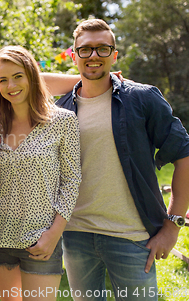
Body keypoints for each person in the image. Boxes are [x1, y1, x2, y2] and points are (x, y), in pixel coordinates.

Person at [57, 19, 189, 301]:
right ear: (74, 55)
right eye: (85, 50)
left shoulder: (141, 98)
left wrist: (172, 225)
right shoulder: (60, 108)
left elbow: (184, 153)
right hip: (75, 235)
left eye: (102, 49)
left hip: (132, 236)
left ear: (114, 55)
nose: (93, 56)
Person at [0, 46, 81, 301]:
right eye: (2, 80)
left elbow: (71, 181)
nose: (10, 85)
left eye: (17, 76)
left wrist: (54, 233)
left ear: (32, 76)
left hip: (40, 240)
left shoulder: (63, 121)